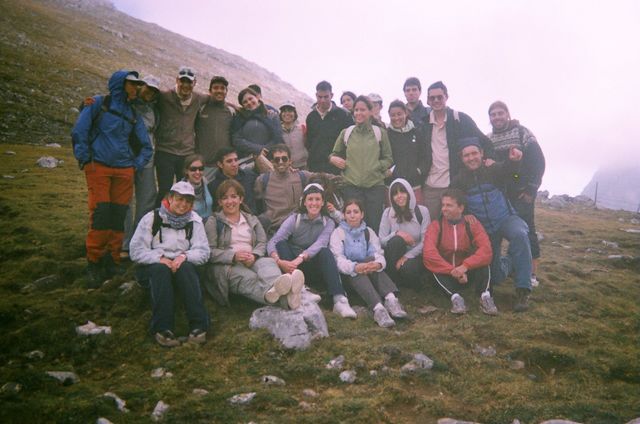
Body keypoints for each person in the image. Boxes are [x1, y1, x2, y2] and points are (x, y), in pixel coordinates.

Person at [72, 69, 153, 287]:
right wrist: (85, 159)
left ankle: (113, 258)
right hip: (98, 166)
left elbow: (146, 145)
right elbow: (79, 131)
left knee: (118, 214)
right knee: (101, 213)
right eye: (132, 84)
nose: (137, 88)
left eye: (138, 85)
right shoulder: (99, 103)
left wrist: (134, 166)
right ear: (120, 84)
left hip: (124, 170)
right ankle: (95, 261)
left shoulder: (133, 112)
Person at [451, 137, 533, 312]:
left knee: (520, 235)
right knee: (495, 277)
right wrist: (465, 215)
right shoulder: (458, 180)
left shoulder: (493, 169)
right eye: (466, 155)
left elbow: (512, 173)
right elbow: (455, 202)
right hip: (485, 230)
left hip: (506, 219)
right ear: (461, 158)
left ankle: (523, 290)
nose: (471, 158)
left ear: (481, 153)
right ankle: (510, 261)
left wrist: (514, 162)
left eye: (474, 153)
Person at [129, 181, 210, 347]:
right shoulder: (152, 218)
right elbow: (136, 250)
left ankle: (199, 326)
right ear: (170, 198)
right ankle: (162, 328)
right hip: (155, 267)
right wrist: (159, 258)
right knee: (160, 270)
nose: (183, 204)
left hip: (181, 266)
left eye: (188, 201)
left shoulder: (195, 221)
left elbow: (203, 251)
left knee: (186, 268)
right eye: (179, 199)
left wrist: (184, 257)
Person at [204, 180, 303, 309]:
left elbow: (262, 242)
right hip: (229, 265)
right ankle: (288, 300)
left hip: (253, 259)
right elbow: (209, 252)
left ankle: (282, 290)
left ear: (241, 199)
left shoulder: (251, 219)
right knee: (251, 278)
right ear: (220, 202)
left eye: (234, 196)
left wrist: (254, 255)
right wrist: (233, 256)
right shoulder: (213, 221)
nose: (230, 201)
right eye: (225, 198)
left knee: (269, 265)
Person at [268, 184, 357, 318]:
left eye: (317, 199)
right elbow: (273, 241)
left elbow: (320, 243)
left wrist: (301, 258)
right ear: (304, 202)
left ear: (322, 203)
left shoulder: (328, 222)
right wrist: (279, 261)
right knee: (281, 243)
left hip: (311, 264)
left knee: (325, 252)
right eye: (310, 199)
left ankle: (339, 300)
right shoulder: (294, 219)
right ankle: (301, 290)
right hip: (291, 265)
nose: (314, 203)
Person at [487, 101, 546, 287]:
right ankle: (513, 267)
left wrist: (531, 189)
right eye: (493, 114)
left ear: (508, 114)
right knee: (503, 232)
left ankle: (531, 274)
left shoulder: (523, 133)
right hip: (500, 195)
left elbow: (539, 162)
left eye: (500, 113)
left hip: (522, 194)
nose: (497, 117)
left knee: (527, 231)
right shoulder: (489, 139)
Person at [421, 81, 495, 220]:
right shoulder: (423, 124)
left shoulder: (460, 119)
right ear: (427, 100)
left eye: (440, 97)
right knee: (432, 228)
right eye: (432, 98)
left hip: (455, 185)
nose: (436, 100)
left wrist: (489, 158)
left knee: (456, 227)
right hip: (431, 186)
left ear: (446, 97)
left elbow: (485, 142)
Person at [330, 199, 408, 328]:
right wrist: (355, 267)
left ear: (362, 214)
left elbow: (378, 253)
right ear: (343, 215)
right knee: (358, 267)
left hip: (369, 272)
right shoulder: (338, 233)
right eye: (348, 212)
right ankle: (378, 308)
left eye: (356, 211)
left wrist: (377, 264)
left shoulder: (368, 232)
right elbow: (338, 260)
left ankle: (391, 299)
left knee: (371, 260)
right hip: (349, 276)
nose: (352, 215)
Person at [423, 189, 496, 315]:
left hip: (467, 273)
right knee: (433, 267)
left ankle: (485, 297)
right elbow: (429, 254)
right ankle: (456, 299)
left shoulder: (472, 224)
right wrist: (452, 271)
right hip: (446, 274)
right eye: (443, 205)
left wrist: (465, 266)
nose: (444, 209)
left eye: (449, 205)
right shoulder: (436, 225)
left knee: (484, 263)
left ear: (461, 208)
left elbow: (486, 250)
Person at [329, 95, 393, 233]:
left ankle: (374, 253)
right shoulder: (346, 133)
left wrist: (376, 166)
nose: (359, 113)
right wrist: (333, 159)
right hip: (351, 186)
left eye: (363, 110)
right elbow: (333, 154)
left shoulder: (380, 133)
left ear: (370, 112)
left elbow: (388, 159)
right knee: (353, 224)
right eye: (356, 110)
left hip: (375, 187)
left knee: (374, 225)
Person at [155, 66, 207, 204]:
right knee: (165, 189)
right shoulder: (164, 96)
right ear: (177, 80)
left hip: (186, 154)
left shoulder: (199, 98)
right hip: (165, 151)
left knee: (185, 190)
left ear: (194, 83)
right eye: (182, 81)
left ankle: (181, 222)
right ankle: (158, 220)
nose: (185, 85)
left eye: (189, 82)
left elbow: (217, 100)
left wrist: (236, 107)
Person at [122, 75, 161, 258]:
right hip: (126, 158)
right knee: (125, 201)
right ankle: (124, 242)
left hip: (148, 159)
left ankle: (139, 240)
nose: (150, 92)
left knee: (147, 198)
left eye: (154, 90)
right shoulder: (126, 102)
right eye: (148, 88)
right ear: (140, 86)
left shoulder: (155, 108)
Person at [378, 178, 430, 288]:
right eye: (395, 194)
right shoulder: (388, 213)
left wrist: (407, 256)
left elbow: (425, 241)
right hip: (394, 254)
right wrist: (396, 233)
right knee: (396, 240)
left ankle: (415, 286)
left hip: (415, 255)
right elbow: (381, 241)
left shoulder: (422, 211)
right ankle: (392, 285)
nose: (399, 196)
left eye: (403, 191)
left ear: (409, 192)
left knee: (408, 269)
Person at [231, 87, 283, 174]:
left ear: (257, 97)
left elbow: (277, 137)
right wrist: (258, 149)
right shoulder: (239, 118)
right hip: (248, 161)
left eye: (250, 98)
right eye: (245, 102)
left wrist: (266, 150)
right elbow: (236, 140)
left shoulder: (271, 114)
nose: (249, 103)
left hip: (271, 159)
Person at [305, 80, 353, 174]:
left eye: (326, 97)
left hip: (337, 168)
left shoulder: (343, 115)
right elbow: (310, 143)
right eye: (320, 97)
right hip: (315, 167)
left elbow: (350, 142)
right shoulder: (311, 117)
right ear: (316, 95)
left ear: (332, 95)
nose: (323, 100)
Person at [195, 75, 236, 182]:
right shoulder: (201, 108)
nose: (219, 91)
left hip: (224, 165)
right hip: (205, 164)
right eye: (216, 88)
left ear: (226, 91)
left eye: (222, 88)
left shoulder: (231, 111)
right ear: (210, 91)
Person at [386, 100, 428, 204]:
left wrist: (418, 171)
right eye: (393, 115)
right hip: (392, 186)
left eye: (399, 114)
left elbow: (426, 156)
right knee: (394, 218)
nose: (396, 118)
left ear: (406, 113)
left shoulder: (416, 132)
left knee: (415, 216)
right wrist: (386, 171)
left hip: (414, 185)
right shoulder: (386, 135)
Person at [207, 147, 257, 213]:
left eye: (236, 160)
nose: (234, 164)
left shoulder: (249, 176)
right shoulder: (213, 186)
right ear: (220, 164)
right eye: (229, 161)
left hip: (253, 218)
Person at [182, 154, 213, 221]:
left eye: (201, 169)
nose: (197, 172)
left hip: (209, 223)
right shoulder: (180, 189)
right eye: (193, 169)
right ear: (186, 171)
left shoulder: (205, 182)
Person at [279, 101, 308, 169]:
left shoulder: (302, 128)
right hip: (286, 168)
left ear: (295, 113)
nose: (287, 113)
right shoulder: (278, 131)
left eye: (290, 111)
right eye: (284, 111)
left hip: (304, 166)